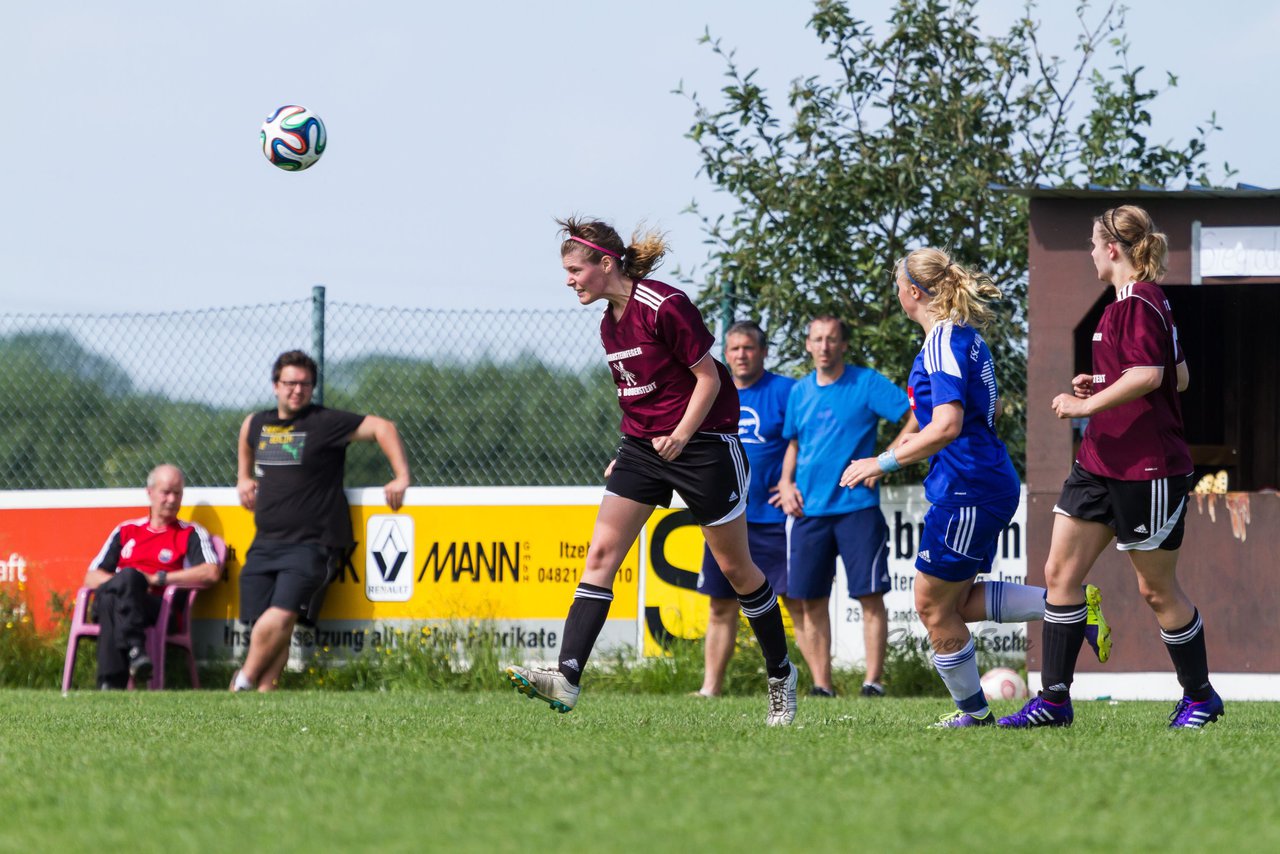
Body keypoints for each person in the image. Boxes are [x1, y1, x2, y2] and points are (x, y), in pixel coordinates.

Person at [505, 218, 798, 725]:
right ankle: (567, 677)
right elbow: (641, 396)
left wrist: (682, 435)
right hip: (643, 448)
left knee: (736, 571)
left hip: (705, 445)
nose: (569, 279)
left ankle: (780, 675)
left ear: (605, 263)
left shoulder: (665, 304)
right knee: (601, 553)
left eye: (575, 269)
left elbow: (708, 378)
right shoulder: (607, 324)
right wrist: (631, 451)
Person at [840, 249, 1111, 727]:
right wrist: (895, 453)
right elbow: (944, 419)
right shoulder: (960, 337)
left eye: (897, 283)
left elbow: (946, 425)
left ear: (913, 292)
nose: (896, 291)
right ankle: (1070, 608)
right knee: (955, 602)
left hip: (969, 487)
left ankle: (976, 715)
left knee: (930, 604)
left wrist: (880, 460)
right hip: (977, 481)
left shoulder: (943, 340)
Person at [999, 205, 1223, 729]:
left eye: (1094, 243)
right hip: (1100, 462)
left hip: (1148, 468)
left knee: (1156, 590)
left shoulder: (1143, 302)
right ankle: (1053, 702)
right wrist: (1099, 386)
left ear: (1114, 249)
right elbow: (1177, 378)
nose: (1091, 252)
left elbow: (1151, 375)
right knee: (1059, 574)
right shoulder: (1122, 305)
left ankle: (1201, 697)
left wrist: (1085, 405)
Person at [233, 350, 411, 692]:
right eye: (290, 383)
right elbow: (245, 440)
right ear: (275, 385)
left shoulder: (326, 422)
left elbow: (383, 427)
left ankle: (243, 680)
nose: (297, 390)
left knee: (283, 614)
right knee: (267, 625)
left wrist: (401, 476)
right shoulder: (257, 422)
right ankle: (264, 691)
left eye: (305, 384)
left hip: (312, 542)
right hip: (265, 541)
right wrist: (243, 477)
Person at [777, 316, 912, 697]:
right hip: (809, 513)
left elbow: (917, 414)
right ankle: (822, 685)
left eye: (832, 339)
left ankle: (873, 682)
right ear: (808, 345)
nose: (824, 346)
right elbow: (794, 443)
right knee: (810, 599)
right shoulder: (800, 391)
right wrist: (786, 483)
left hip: (857, 508)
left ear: (843, 345)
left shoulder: (866, 382)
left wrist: (887, 458)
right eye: (817, 339)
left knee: (870, 596)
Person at [693, 320, 796, 697]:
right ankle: (710, 688)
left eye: (748, 348)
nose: (740, 355)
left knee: (794, 603)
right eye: (733, 348)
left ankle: (819, 685)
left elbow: (804, 441)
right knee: (721, 606)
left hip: (772, 517)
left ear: (763, 351)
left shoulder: (787, 391)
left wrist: (791, 482)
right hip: (723, 515)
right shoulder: (711, 388)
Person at [83, 464, 221, 689]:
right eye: (166, 492)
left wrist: (159, 579)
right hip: (124, 599)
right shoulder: (126, 530)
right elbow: (91, 577)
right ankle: (136, 649)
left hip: (158, 607)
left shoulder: (190, 533)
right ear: (150, 493)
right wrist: (128, 583)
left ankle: (109, 685)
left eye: (177, 493)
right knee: (124, 581)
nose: (171, 499)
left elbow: (210, 571)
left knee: (112, 599)